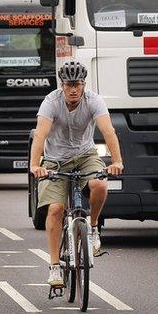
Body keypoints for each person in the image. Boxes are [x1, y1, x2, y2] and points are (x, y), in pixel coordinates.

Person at [29, 60, 124, 287]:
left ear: (84, 85)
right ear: (62, 85)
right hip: (55, 160)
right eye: (69, 84)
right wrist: (35, 165)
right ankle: (54, 268)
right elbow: (40, 135)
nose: (73, 89)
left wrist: (117, 160)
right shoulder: (50, 102)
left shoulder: (94, 101)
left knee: (100, 184)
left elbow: (108, 131)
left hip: (85, 154)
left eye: (78, 84)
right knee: (55, 209)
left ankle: (92, 229)